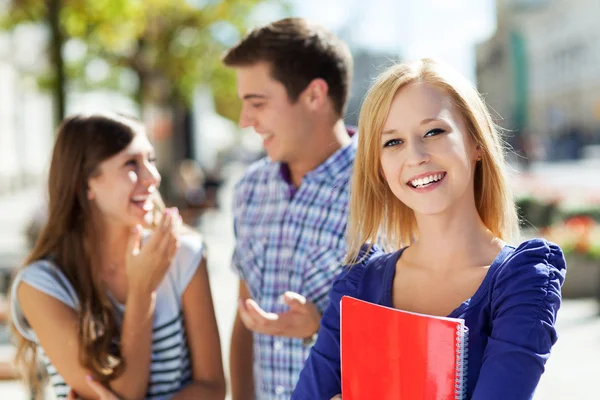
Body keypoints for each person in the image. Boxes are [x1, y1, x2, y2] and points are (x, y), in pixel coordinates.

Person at [292, 59, 566, 400]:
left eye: (434, 132)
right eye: (392, 142)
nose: (416, 155)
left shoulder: (523, 279)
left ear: (476, 142)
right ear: (378, 167)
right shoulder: (357, 284)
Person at [9, 113, 226, 400]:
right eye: (131, 163)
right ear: (86, 183)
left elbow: (213, 387)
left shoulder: (184, 255)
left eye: (151, 160)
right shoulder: (40, 286)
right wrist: (142, 290)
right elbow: (125, 393)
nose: (153, 177)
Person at [221, 17, 355, 400]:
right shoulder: (250, 189)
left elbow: (410, 328)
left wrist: (320, 330)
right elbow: (244, 318)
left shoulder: (383, 188)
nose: (246, 121)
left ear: (314, 95)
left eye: (257, 104)